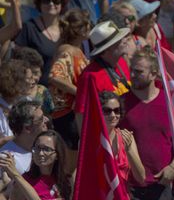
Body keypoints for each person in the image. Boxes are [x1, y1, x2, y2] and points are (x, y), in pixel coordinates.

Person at [120, 47, 174, 200]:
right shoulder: (121, 103)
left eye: (139, 71)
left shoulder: (169, 101)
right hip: (131, 183)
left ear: (154, 74)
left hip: (161, 181)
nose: (133, 75)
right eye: (132, 71)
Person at [74, 20, 131, 129]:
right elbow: (80, 114)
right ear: (107, 48)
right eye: (118, 40)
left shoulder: (122, 63)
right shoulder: (89, 76)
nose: (124, 40)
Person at [48, 8, 90, 151]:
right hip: (67, 117)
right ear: (81, 30)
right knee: (71, 163)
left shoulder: (75, 50)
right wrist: (80, 93)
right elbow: (55, 76)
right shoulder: (68, 51)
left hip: (71, 115)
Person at [14, 0, 69, 86]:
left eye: (56, 1)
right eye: (46, 1)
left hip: (65, 92)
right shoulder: (29, 28)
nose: (51, 4)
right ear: (39, 3)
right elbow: (18, 62)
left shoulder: (68, 29)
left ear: (62, 4)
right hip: (37, 92)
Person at [0, 100, 49, 175]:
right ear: (27, 128)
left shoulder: (40, 147)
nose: (47, 119)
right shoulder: (6, 160)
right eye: (41, 119)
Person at [0, 60, 39, 146]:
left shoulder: (27, 101)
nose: (33, 81)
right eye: (29, 78)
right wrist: (20, 136)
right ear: (15, 82)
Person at [11, 47, 54, 116]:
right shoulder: (9, 93)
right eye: (26, 73)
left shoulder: (43, 91)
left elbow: (50, 116)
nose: (32, 78)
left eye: (35, 73)